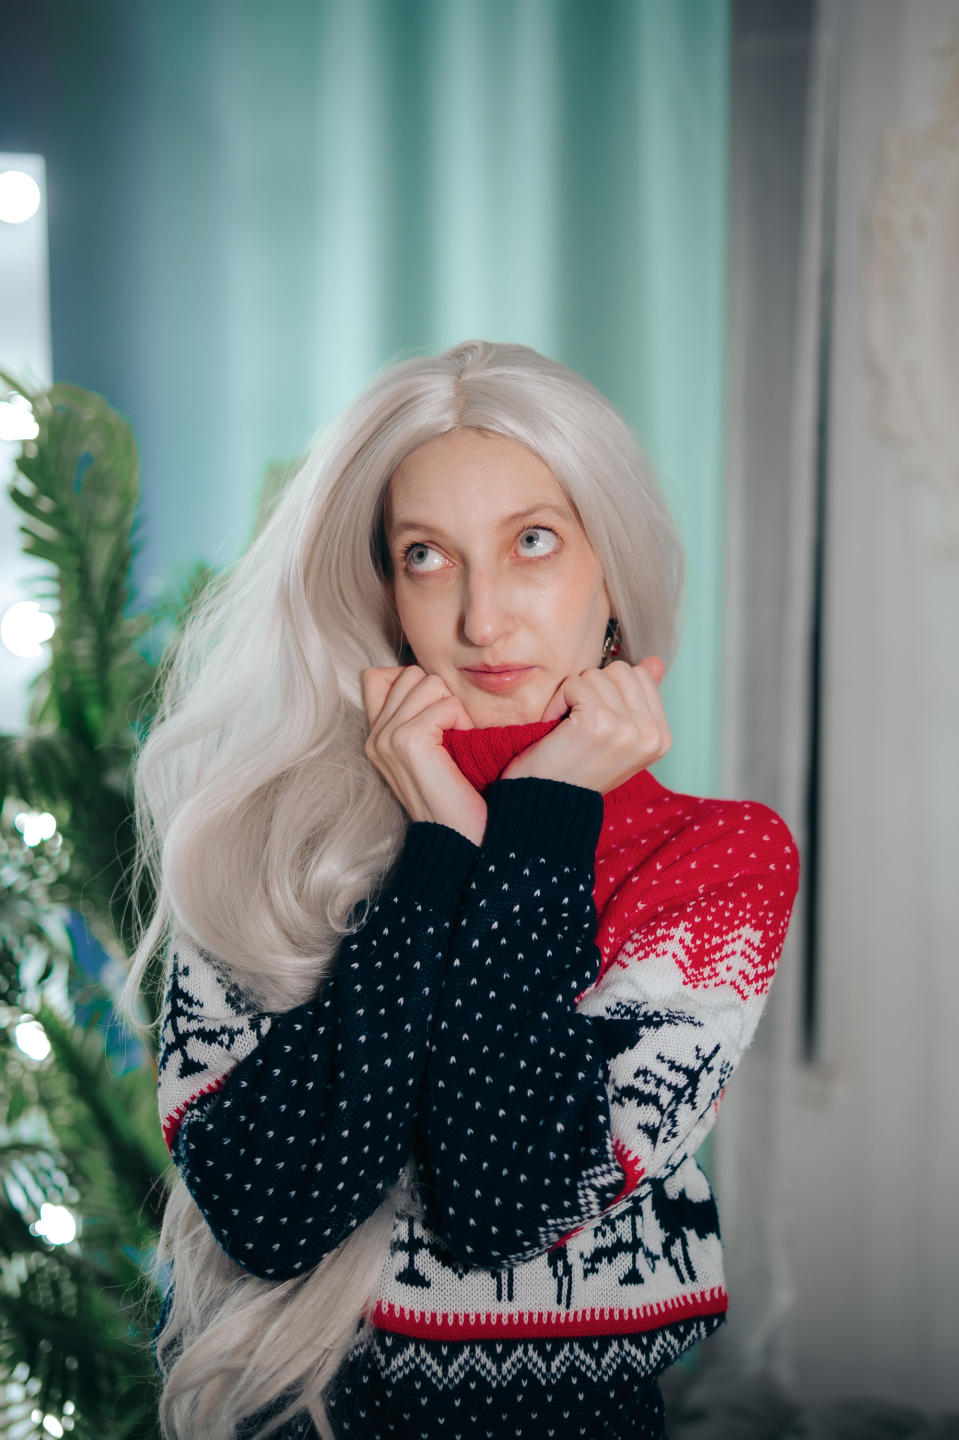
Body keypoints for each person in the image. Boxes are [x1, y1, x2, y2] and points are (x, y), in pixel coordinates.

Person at [125, 339, 799, 1440]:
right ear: (385, 589)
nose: (482, 620)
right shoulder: (262, 838)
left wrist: (536, 819)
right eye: (426, 555)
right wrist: (436, 847)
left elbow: (509, 1202)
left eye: (532, 542)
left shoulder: (716, 861)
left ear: (611, 570)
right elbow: (269, 1216)